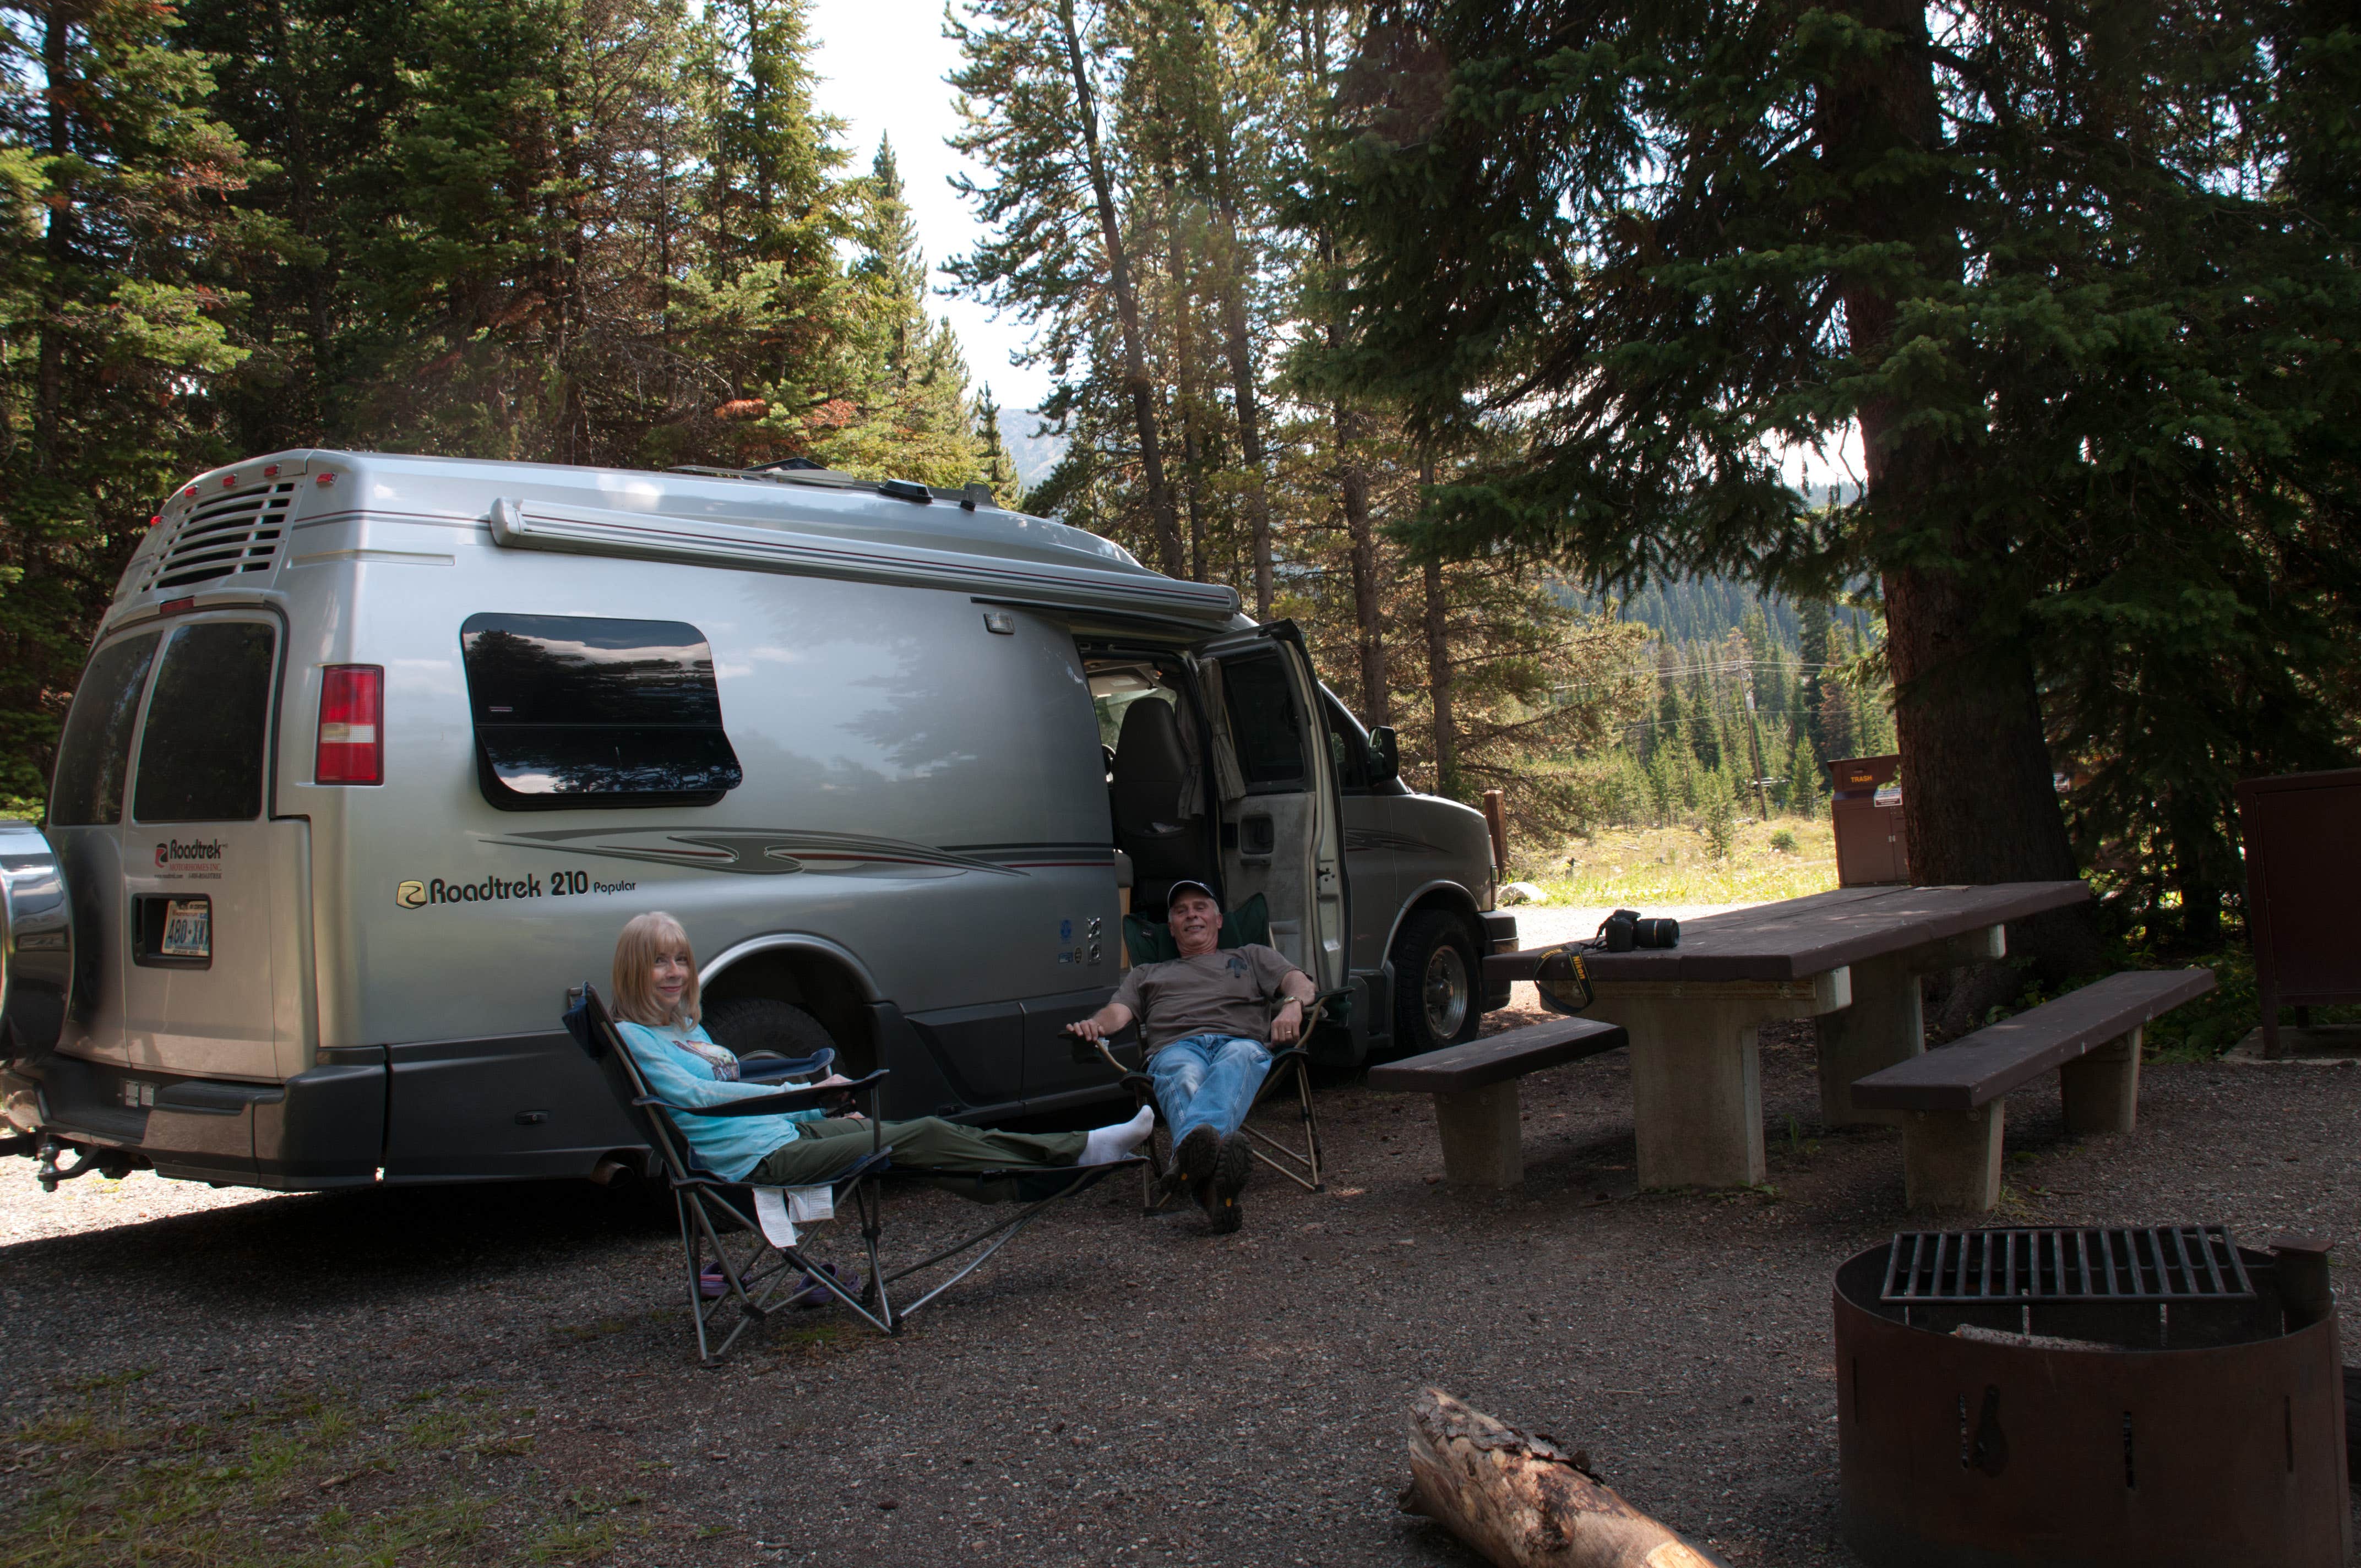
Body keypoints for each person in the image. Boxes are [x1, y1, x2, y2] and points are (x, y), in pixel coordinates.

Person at [609, 911, 1154, 1191]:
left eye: (680, 960)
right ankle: (1076, 1152)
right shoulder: (636, 1035)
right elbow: (701, 1096)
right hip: (758, 1157)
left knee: (928, 1137)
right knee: (919, 1135)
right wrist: (802, 1092)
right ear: (634, 969)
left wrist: (816, 1101)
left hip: (780, 1134)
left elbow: (731, 1088)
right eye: (659, 962)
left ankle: (1067, 1158)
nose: (675, 973)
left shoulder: (687, 1028)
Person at [1063, 879, 1315, 1233]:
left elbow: (1301, 984)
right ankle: (1212, 1187)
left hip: (1239, 1042)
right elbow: (1117, 1013)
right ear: (1171, 927)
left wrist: (1291, 1007)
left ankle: (1187, 1160)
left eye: (1200, 907)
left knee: (1239, 1056)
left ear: (1218, 920)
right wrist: (1094, 1025)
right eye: (1181, 911)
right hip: (1177, 1048)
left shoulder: (1251, 955)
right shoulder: (1147, 974)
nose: (1191, 915)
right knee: (1182, 1074)